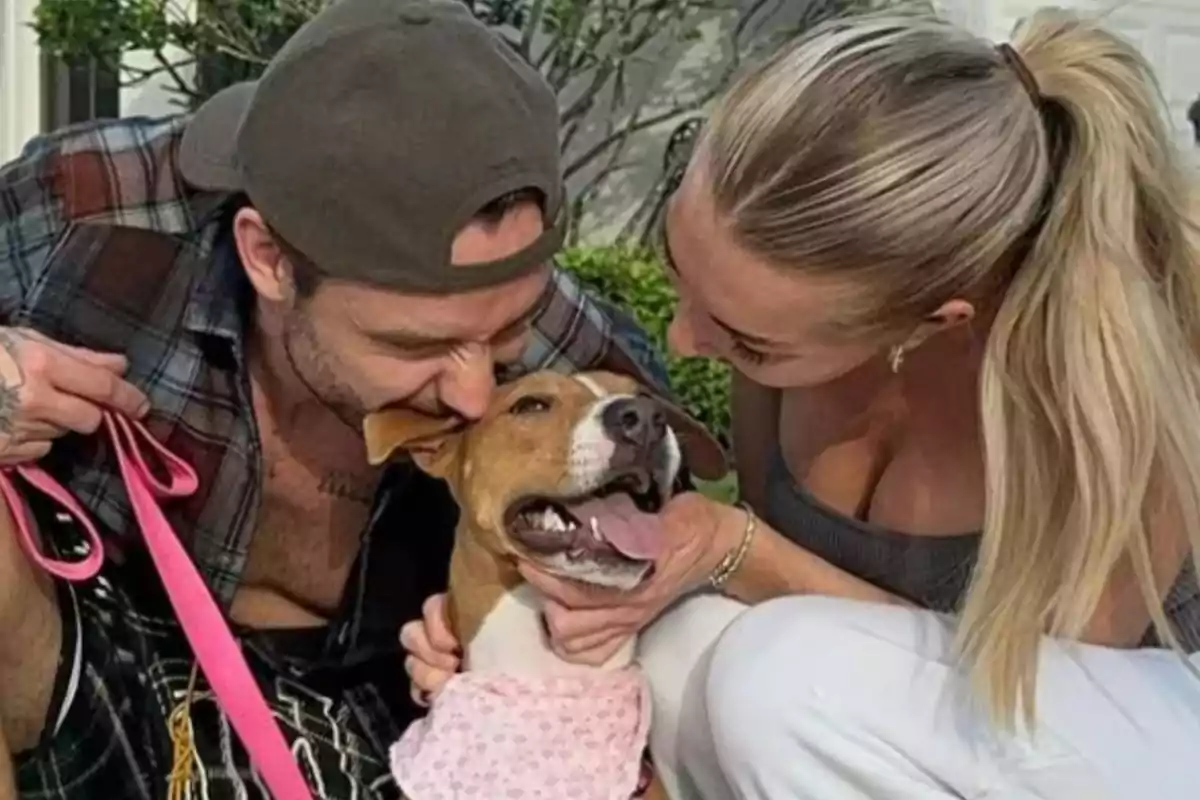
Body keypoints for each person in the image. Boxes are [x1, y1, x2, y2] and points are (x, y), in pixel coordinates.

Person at [402, 7, 1200, 799]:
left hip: (1136, 730)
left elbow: (1024, 709)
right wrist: (509, 651)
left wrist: (734, 547)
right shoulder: (794, 337)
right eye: (679, 272)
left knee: (779, 673)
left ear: (929, 321)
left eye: (749, 342)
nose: (680, 343)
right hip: (886, 705)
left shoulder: (1114, 393)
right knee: (689, 654)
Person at [0, 0, 673, 797]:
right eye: (413, 345)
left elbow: (691, 545)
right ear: (269, 259)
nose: (472, 390)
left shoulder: (583, 369)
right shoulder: (82, 214)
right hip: (102, 663)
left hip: (384, 726)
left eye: (509, 333)